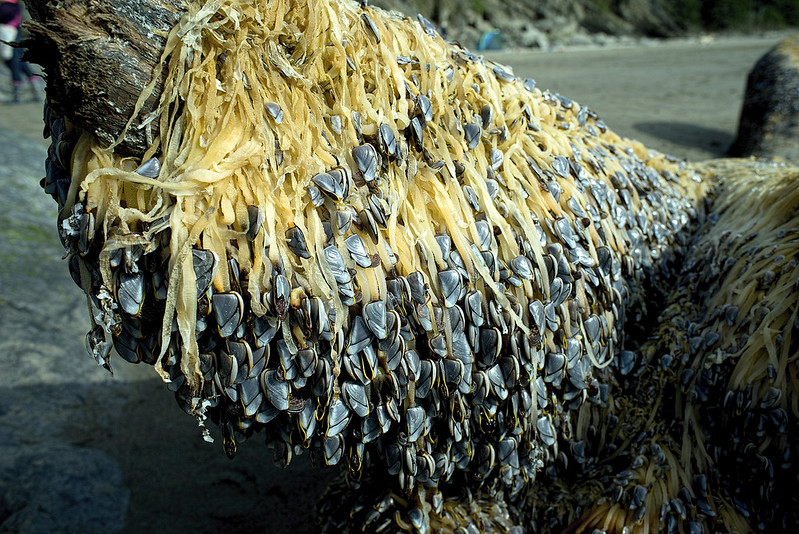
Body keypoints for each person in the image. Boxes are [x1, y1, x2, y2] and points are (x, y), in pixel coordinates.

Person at [1, 0, 41, 103]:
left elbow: (3, 17)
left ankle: (17, 94)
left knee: (14, 64)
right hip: (17, 35)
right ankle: (35, 90)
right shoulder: (16, 6)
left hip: (11, 37)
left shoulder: (7, 6)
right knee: (22, 64)